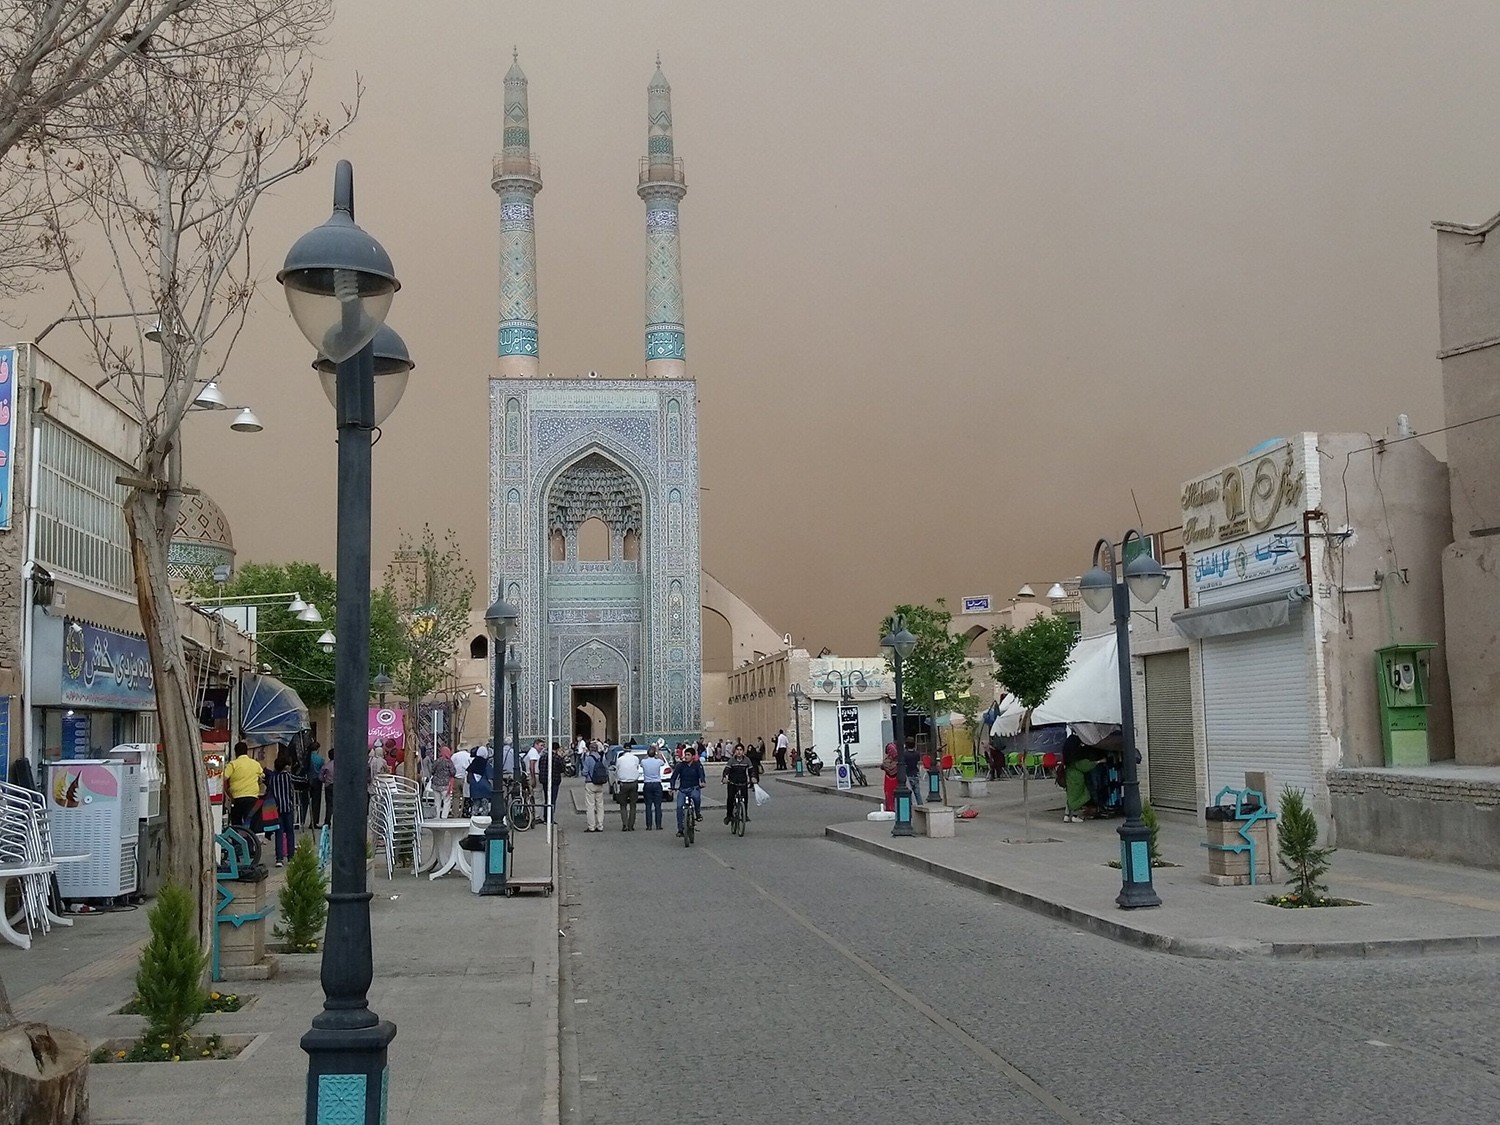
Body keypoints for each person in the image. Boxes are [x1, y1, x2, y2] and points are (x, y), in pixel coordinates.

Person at [265, 746, 297, 867]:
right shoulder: (288, 776)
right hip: (288, 807)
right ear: (285, 766)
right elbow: (299, 782)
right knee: (290, 832)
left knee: (279, 832)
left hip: (276, 809)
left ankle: (279, 859)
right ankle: (291, 856)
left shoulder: (273, 778)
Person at [224, 741, 265, 829]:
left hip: (237, 798)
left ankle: (238, 841)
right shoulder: (255, 764)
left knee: (236, 823)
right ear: (246, 751)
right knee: (250, 823)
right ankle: (250, 841)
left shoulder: (232, 764)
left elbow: (223, 778)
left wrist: (228, 794)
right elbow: (262, 778)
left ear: (236, 752)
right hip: (252, 798)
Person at [674, 746, 705, 836]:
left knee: (696, 798)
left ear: (693, 756)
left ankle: (698, 813)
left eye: (688, 755)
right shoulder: (680, 766)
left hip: (694, 787)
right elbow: (674, 777)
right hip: (682, 789)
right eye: (685, 755)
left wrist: (702, 782)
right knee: (679, 807)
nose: (686, 757)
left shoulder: (697, 765)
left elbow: (701, 775)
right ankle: (680, 829)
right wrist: (672, 787)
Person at [722, 744, 754, 824]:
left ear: (743, 751)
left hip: (743, 782)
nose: (739, 752)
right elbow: (726, 770)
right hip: (732, 782)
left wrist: (753, 777)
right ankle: (729, 816)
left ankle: (744, 814)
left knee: (745, 798)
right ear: (735, 751)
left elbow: (751, 771)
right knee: (730, 798)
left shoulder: (747, 760)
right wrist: (725, 777)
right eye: (737, 750)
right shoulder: (732, 760)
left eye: (740, 750)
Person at [581, 741, 608, 832]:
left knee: (590, 806)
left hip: (590, 783)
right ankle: (600, 825)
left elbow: (584, 771)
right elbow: (606, 769)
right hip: (600, 784)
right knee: (600, 805)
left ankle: (591, 826)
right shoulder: (601, 758)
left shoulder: (588, 759)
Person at [615, 741, 641, 831]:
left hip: (624, 783)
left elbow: (617, 770)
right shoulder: (635, 759)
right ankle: (631, 825)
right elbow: (636, 768)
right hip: (633, 783)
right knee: (633, 805)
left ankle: (625, 824)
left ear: (624, 749)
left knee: (623, 805)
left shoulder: (620, 759)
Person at [640, 744, 665, 830]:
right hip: (657, 784)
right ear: (654, 754)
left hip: (647, 784)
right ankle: (658, 825)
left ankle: (649, 825)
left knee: (648, 806)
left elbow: (642, 762)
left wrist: (649, 754)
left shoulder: (644, 762)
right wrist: (658, 752)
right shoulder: (658, 761)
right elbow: (663, 761)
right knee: (658, 805)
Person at [430, 746, 457, 818]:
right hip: (445, 785)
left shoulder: (437, 761)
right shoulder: (449, 762)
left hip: (435, 784)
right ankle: (444, 816)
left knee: (437, 802)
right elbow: (453, 772)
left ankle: (437, 816)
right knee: (446, 801)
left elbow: (432, 771)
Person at [306, 740, 326, 827]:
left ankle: (301, 820)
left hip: (307, 780)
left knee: (304, 801)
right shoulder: (320, 759)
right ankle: (314, 822)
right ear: (317, 749)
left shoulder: (306, 759)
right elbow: (323, 771)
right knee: (316, 802)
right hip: (317, 781)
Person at [451, 745, 473, 814]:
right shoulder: (469, 756)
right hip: (465, 778)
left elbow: (451, 765)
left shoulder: (454, 756)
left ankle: (455, 813)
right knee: (465, 796)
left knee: (455, 797)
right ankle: (463, 813)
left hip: (456, 778)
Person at [903, 737, 924, 806]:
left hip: (908, 774)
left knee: (909, 792)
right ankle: (920, 805)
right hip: (915, 773)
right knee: (917, 792)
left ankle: (910, 806)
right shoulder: (917, 753)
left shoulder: (905, 754)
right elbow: (917, 762)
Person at [318, 749, 335, 826]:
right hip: (338, 787)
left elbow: (320, 777)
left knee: (329, 804)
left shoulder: (326, 766)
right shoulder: (341, 765)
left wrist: (325, 780)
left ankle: (327, 822)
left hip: (329, 786)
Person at [881, 742, 899, 811]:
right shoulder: (898, 762)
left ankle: (890, 809)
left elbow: (882, 767)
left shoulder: (886, 762)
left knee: (889, 796)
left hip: (888, 781)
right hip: (896, 780)